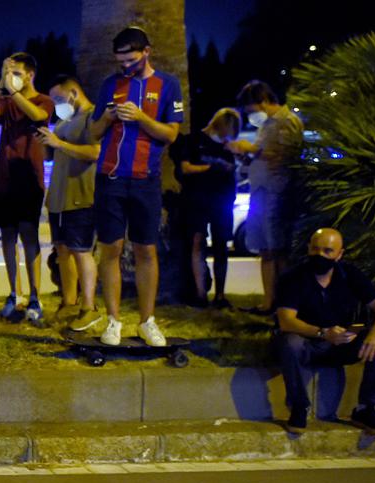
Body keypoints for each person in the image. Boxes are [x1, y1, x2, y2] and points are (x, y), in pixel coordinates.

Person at [89, 27, 184, 346]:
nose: (125, 67)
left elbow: (170, 134)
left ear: (147, 52)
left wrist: (141, 117)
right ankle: (113, 320)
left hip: (146, 180)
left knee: (145, 249)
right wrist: (109, 118)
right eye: (120, 62)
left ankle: (147, 321)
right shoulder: (110, 85)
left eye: (131, 60)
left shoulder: (168, 85)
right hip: (110, 178)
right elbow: (94, 132)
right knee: (111, 248)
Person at [274, 228, 375, 434]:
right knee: (289, 342)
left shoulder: (349, 273)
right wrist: (323, 332)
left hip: (346, 332)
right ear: (308, 249)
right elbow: (286, 321)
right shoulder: (294, 277)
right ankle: (298, 406)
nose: (320, 256)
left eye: (328, 251)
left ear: (339, 254)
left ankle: (367, 408)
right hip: (309, 336)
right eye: (316, 249)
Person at [0, 52, 54, 323]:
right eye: (10, 72)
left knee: (29, 236)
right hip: (3, 178)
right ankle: (14, 293)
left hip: (28, 178)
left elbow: (37, 114)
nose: (13, 78)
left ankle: (35, 295)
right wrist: (2, 84)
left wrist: (14, 94)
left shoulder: (43, 100)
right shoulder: (6, 99)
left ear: (30, 75)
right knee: (8, 237)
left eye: (17, 73)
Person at [228, 80, 304, 315]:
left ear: (262, 101)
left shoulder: (287, 121)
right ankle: (267, 302)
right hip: (259, 190)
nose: (251, 115)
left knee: (277, 249)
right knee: (264, 249)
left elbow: (285, 154)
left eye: (251, 110)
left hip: (276, 191)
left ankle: (283, 304)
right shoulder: (268, 124)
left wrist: (247, 148)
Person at [36, 75, 102, 330]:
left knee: (81, 251)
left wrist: (58, 142)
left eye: (59, 99)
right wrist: (46, 143)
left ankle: (89, 307)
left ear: (74, 92)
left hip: (81, 196)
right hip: (59, 198)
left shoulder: (92, 116)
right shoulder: (66, 119)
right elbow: (57, 152)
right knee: (63, 251)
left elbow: (96, 153)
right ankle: (69, 303)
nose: (56, 104)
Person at [174, 107, 241, 308]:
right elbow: (185, 168)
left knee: (222, 247)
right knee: (197, 243)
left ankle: (220, 295)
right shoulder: (194, 141)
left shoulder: (227, 147)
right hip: (198, 200)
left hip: (222, 201)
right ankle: (200, 293)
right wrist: (211, 168)